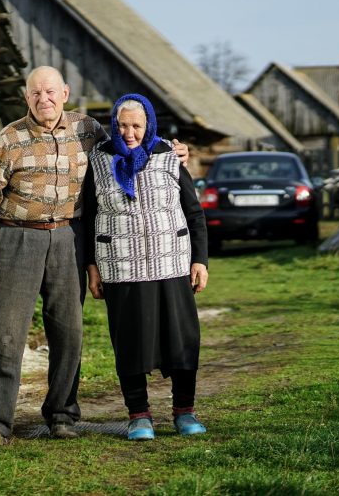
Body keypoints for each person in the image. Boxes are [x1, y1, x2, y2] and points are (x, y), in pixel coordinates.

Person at [0, 67, 187, 443]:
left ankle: (62, 415)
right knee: (5, 336)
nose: (44, 100)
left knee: (68, 334)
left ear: (65, 93)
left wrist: (174, 149)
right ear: (27, 97)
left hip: (69, 238)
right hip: (17, 240)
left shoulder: (88, 131)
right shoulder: (9, 139)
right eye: (36, 93)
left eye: (51, 92)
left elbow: (130, 142)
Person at [83, 93, 209, 441]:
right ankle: (139, 415)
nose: (129, 133)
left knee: (182, 340)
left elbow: (193, 211)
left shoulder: (169, 155)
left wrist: (200, 259)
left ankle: (184, 411)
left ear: (148, 124)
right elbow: (89, 218)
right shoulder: (98, 159)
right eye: (122, 125)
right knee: (129, 343)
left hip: (170, 263)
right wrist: (91, 266)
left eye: (136, 125)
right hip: (121, 268)